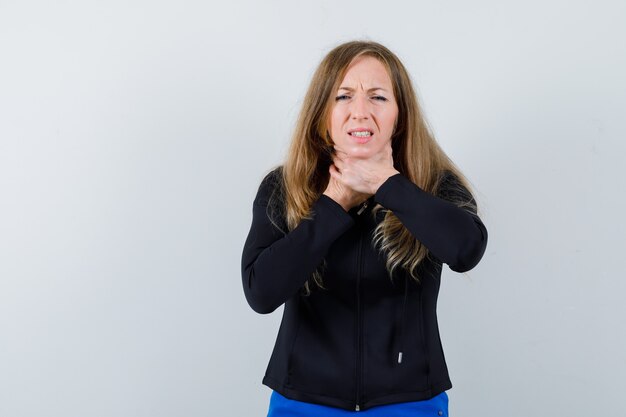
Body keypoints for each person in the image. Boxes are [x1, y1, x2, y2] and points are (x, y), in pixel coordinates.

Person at [241, 40, 488, 416]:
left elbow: (466, 250)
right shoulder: (284, 185)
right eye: (343, 96)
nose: (360, 111)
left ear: (399, 114)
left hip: (409, 401)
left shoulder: (432, 184)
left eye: (378, 97)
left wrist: (389, 185)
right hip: (303, 401)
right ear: (322, 111)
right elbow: (261, 292)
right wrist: (333, 202)